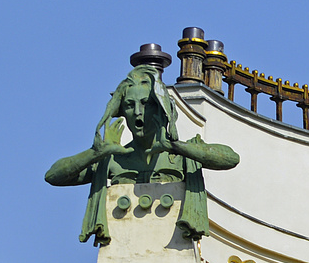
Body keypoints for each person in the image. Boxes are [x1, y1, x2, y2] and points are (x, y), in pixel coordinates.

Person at [45, 44, 239, 245]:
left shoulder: (181, 156)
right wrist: (96, 153)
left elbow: (230, 159)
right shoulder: (113, 160)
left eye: (145, 104)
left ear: (160, 109)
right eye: (130, 105)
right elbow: (53, 176)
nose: (137, 112)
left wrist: (176, 146)